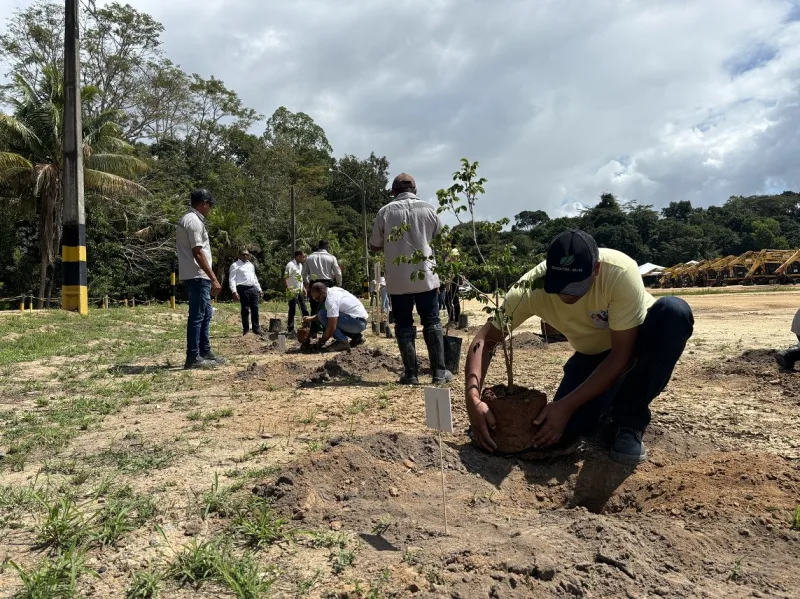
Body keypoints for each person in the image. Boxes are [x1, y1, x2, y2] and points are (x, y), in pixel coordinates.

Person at [464, 229, 694, 465]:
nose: (566, 294)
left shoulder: (619, 272)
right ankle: (606, 405)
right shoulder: (531, 287)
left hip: (637, 345)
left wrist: (567, 404)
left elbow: (622, 354)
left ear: (595, 270)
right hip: (592, 354)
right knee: (564, 431)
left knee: (674, 313)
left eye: (575, 286)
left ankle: (629, 421)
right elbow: (485, 340)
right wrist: (472, 398)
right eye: (560, 285)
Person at [370, 172, 452, 385]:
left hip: (397, 281)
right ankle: (439, 373)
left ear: (394, 192)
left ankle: (411, 374)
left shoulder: (385, 212)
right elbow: (443, 242)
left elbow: (374, 245)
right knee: (432, 322)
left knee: (404, 325)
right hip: (426, 277)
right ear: (414, 190)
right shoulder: (429, 209)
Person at [176, 189, 226, 369]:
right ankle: (192, 357)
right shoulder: (193, 221)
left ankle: (204, 351)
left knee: (205, 314)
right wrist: (214, 278)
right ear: (204, 203)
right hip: (197, 275)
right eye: (210, 205)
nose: (210, 208)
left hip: (199, 275)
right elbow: (198, 252)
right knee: (197, 315)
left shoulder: (192, 220)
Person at [302, 282, 367, 351]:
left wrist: (321, 341)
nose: (318, 301)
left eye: (317, 298)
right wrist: (310, 319)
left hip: (357, 323)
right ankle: (356, 337)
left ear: (323, 292)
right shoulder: (333, 290)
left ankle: (342, 342)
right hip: (359, 321)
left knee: (326, 317)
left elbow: (331, 327)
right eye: (315, 299)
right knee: (323, 314)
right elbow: (328, 314)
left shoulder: (330, 300)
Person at [302, 240, 343, 334]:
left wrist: (307, 283)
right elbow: (338, 272)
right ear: (327, 247)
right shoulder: (331, 258)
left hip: (314, 283)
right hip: (326, 284)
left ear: (319, 246)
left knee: (314, 307)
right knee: (327, 307)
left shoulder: (310, 257)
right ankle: (326, 330)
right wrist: (339, 284)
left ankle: (313, 331)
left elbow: (304, 273)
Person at [229, 248, 263, 335]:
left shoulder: (251, 265)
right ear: (239, 255)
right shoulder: (235, 265)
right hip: (242, 289)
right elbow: (232, 280)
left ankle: (256, 329)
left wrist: (259, 289)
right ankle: (246, 330)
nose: (245, 256)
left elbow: (254, 278)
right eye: (243, 254)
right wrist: (234, 291)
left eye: (246, 254)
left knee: (255, 309)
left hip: (253, 288)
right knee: (245, 309)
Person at [284, 250, 309, 333]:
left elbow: (300, 278)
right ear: (298, 256)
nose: (304, 258)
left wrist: (303, 288)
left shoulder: (300, 265)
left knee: (304, 308)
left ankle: (307, 325)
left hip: (299, 290)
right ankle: (290, 328)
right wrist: (288, 288)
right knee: (292, 309)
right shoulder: (290, 265)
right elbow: (285, 277)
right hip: (292, 291)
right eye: (303, 256)